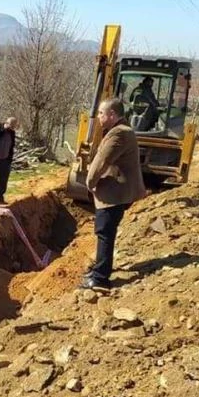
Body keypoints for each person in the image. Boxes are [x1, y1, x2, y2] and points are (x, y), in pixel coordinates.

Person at [80, 98, 146, 290]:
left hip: (113, 194)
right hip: (118, 192)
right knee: (105, 231)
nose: (99, 117)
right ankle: (99, 269)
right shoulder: (124, 131)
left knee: (105, 232)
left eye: (101, 113)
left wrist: (90, 183)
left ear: (112, 115)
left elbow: (101, 162)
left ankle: (100, 279)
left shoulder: (118, 134)